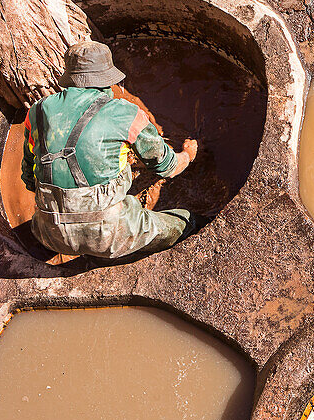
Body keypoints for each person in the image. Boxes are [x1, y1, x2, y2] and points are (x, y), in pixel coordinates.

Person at [20, 40, 200, 258]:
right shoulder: (125, 112)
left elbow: (30, 178)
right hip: (111, 235)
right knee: (185, 221)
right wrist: (188, 155)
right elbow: (167, 167)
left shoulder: (36, 112)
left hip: (48, 234)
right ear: (108, 79)